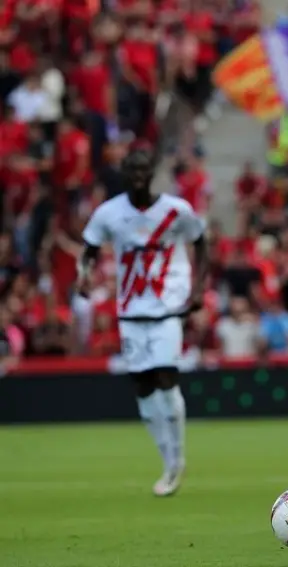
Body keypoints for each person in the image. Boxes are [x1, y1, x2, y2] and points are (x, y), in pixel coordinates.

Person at [76, 148, 209, 497]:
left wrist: (197, 288)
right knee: (143, 385)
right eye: (131, 169)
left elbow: (201, 243)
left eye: (143, 169)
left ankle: (178, 459)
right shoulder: (109, 213)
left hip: (167, 306)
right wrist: (83, 274)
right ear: (123, 173)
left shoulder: (176, 211)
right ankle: (166, 460)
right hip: (131, 310)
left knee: (166, 376)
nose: (137, 175)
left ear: (152, 172)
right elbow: (89, 247)